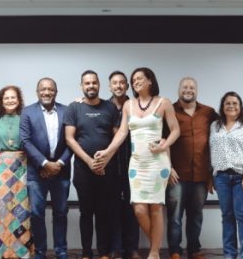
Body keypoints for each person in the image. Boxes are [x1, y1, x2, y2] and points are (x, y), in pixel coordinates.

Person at [100, 67, 180, 259]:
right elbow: (122, 132)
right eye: (133, 79)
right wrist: (108, 151)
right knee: (139, 209)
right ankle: (156, 243)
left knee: (156, 208)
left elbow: (175, 130)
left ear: (150, 80)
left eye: (139, 79)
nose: (135, 82)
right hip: (136, 164)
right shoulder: (129, 104)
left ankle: (154, 252)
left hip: (157, 163)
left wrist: (164, 145)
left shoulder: (164, 103)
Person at [65, 70, 121, 259]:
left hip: (107, 170)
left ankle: (104, 253)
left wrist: (105, 159)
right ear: (82, 86)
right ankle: (87, 253)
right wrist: (89, 161)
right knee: (86, 213)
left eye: (94, 83)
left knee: (104, 212)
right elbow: (70, 139)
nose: (91, 86)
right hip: (83, 170)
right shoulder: (74, 108)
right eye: (87, 83)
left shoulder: (110, 108)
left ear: (99, 85)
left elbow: (117, 137)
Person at [165, 77, 217, 259]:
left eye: (192, 87)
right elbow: (162, 141)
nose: (188, 90)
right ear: (179, 90)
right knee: (175, 217)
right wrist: (168, 167)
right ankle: (175, 250)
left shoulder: (209, 113)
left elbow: (227, 126)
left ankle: (194, 249)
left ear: (197, 90)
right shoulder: (168, 110)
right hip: (176, 175)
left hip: (201, 175)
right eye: (185, 87)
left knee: (196, 216)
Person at [21, 78, 72, 259]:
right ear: (37, 92)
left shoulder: (67, 111)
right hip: (37, 172)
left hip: (61, 171)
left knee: (61, 213)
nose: (47, 92)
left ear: (56, 92)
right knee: (36, 214)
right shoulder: (27, 112)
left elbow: (72, 141)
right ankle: (40, 251)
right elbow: (25, 141)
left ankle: (61, 251)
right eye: (43, 89)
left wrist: (58, 164)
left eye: (50, 89)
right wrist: (44, 163)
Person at [209, 92, 243, 259]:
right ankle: (229, 255)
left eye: (235, 103)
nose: (231, 106)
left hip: (241, 177)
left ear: (240, 107)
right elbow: (212, 151)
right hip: (221, 177)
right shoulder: (215, 126)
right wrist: (212, 175)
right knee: (227, 216)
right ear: (223, 106)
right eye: (227, 103)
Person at [0, 85, 34, 258]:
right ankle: (0, 252)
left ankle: (20, 252)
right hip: (0, 167)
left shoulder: (25, 118)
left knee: (20, 208)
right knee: (0, 209)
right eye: (6, 98)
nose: (10, 100)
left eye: (13, 97)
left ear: (19, 100)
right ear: (1, 101)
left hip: (22, 165)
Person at [107, 71, 140, 259]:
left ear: (127, 86)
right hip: (111, 168)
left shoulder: (136, 105)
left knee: (133, 208)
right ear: (110, 86)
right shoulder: (103, 107)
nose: (118, 86)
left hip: (134, 166)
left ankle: (133, 249)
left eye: (122, 83)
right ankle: (116, 249)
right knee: (112, 209)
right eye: (115, 83)